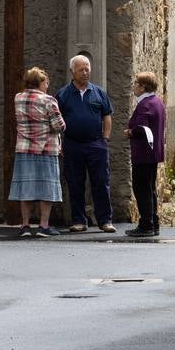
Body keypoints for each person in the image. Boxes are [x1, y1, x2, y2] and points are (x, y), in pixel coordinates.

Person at [55, 54, 116, 233]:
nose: (85, 73)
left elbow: (107, 116)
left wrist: (105, 138)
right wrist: (60, 144)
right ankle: (78, 220)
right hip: (73, 145)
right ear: (72, 72)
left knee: (101, 182)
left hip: (96, 144)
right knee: (75, 183)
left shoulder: (99, 92)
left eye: (87, 69)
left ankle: (105, 220)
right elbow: (55, 120)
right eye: (81, 69)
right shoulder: (63, 94)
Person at [9, 66, 66, 238]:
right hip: (46, 149)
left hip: (24, 149)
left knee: (26, 187)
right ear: (40, 82)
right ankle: (44, 225)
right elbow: (59, 125)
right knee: (46, 188)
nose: (47, 85)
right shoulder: (48, 100)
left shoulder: (18, 98)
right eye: (46, 82)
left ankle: (25, 225)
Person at [124, 71, 166, 238]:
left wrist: (130, 132)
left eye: (136, 84)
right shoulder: (157, 102)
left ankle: (146, 224)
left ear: (142, 87)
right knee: (150, 189)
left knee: (141, 188)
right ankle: (153, 222)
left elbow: (142, 128)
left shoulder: (145, 105)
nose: (134, 87)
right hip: (153, 153)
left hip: (143, 153)